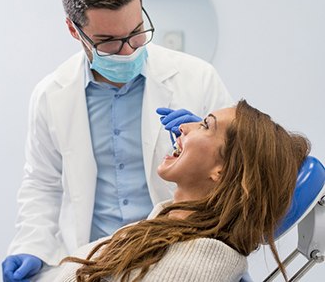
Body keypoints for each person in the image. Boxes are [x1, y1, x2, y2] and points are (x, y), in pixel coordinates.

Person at [2, 0, 233, 281]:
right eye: (108, 42)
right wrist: (31, 244)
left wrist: (211, 142)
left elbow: (239, 173)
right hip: (95, 260)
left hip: (179, 254)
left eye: (137, 32)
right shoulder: (50, 96)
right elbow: (43, 182)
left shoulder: (198, 78)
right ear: (74, 30)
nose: (129, 51)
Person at [52, 100, 310, 282]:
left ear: (221, 171)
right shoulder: (161, 231)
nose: (183, 127)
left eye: (205, 125)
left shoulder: (193, 264)